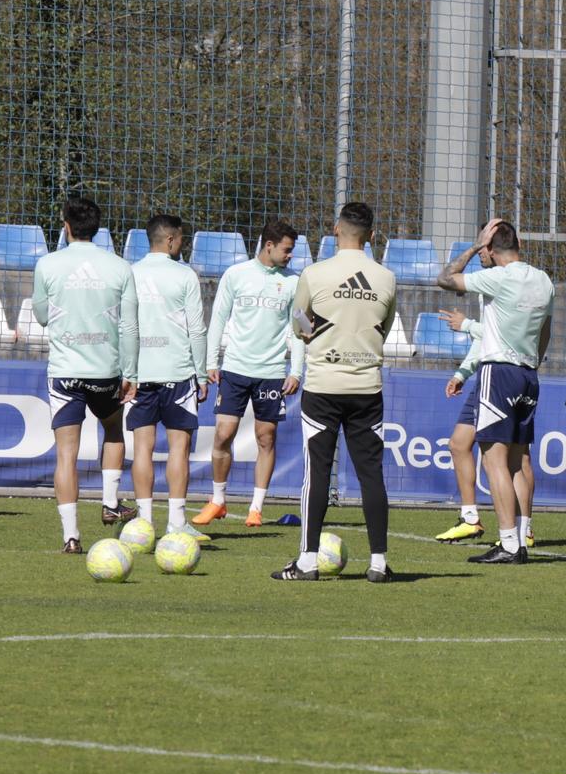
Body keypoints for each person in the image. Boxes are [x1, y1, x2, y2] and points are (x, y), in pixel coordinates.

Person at [275, 201, 396, 583]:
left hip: (324, 386)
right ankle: (378, 562)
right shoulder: (386, 277)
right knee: (371, 475)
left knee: (317, 472)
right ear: (372, 236)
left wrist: (311, 331)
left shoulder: (314, 273)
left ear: (335, 230)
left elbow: (297, 321)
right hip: (366, 387)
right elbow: (384, 329)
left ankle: (308, 561)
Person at [438, 217, 554, 565]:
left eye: (483, 252)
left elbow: (445, 279)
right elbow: (545, 331)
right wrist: (532, 362)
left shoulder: (498, 276)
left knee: (493, 458)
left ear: (491, 248)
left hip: (499, 372)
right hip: (529, 374)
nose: (480, 259)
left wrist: (472, 246)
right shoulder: (543, 280)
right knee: (518, 460)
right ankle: (520, 535)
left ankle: (507, 544)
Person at [31, 195, 140, 553]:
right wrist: (132, 372)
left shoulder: (48, 264)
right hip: (106, 370)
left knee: (66, 454)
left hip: (65, 371)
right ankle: (110, 503)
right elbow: (129, 326)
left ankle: (71, 537)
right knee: (112, 428)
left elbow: (43, 316)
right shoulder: (120, 267)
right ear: (98, 228)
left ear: (66, 226)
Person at [195, 217, 304, 529]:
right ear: (268, 246)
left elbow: (300, 328)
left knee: (265, 437)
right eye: (286, 249)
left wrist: (296, 369)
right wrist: (210, 362)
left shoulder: (294, 282)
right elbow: (217, 318)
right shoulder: (236, 275)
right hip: (234, 370)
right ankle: (217, 500)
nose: (289, 255)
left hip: (271, 372)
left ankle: (256, 507)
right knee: (223, 434)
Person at [127, 214, 208, 536]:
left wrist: (126, 371)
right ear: (172, 240)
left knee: (142, 448)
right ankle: (176, 523)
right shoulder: (185, 275)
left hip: (140, 374)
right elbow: (196, 330)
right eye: (182, 239)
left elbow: (124, 325)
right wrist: (201, 375)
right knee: (179, 449)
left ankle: (145, 523)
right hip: (177, 372)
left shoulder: (130, 273)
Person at [435, 308, 536, 546]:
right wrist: (462, 373)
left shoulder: (517, 285)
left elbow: (502, 335)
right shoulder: (491, 287)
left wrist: (467, 324)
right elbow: (485, 339)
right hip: (486, 376)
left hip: (508, 374)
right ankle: (470, 519)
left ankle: (524, 532)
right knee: (459, 444)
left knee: (518, 458)